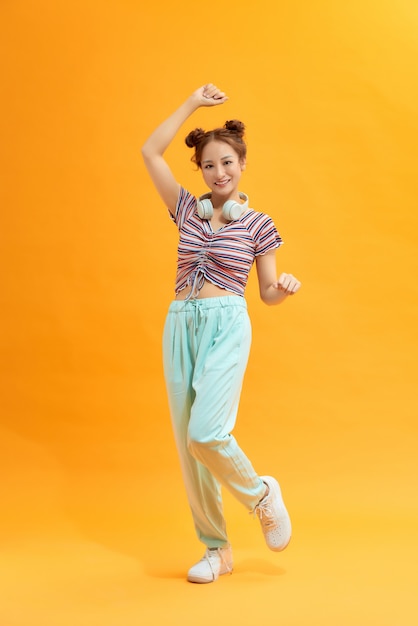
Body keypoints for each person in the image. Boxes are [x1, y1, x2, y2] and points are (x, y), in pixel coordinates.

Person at [141, 83, 301, 584]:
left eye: (227, 162)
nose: (219, 172)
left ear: (242, 162)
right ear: (201, 171)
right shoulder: (186, 210)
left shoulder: (257, 224)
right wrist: (191, 102)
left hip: (227, 322)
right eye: (209, 165)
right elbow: (149, 151)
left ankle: (260, 495)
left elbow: (267, 293)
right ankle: (217, 550)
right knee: (189, 448)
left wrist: (283, 287)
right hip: (179, 324)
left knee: (206, 433)